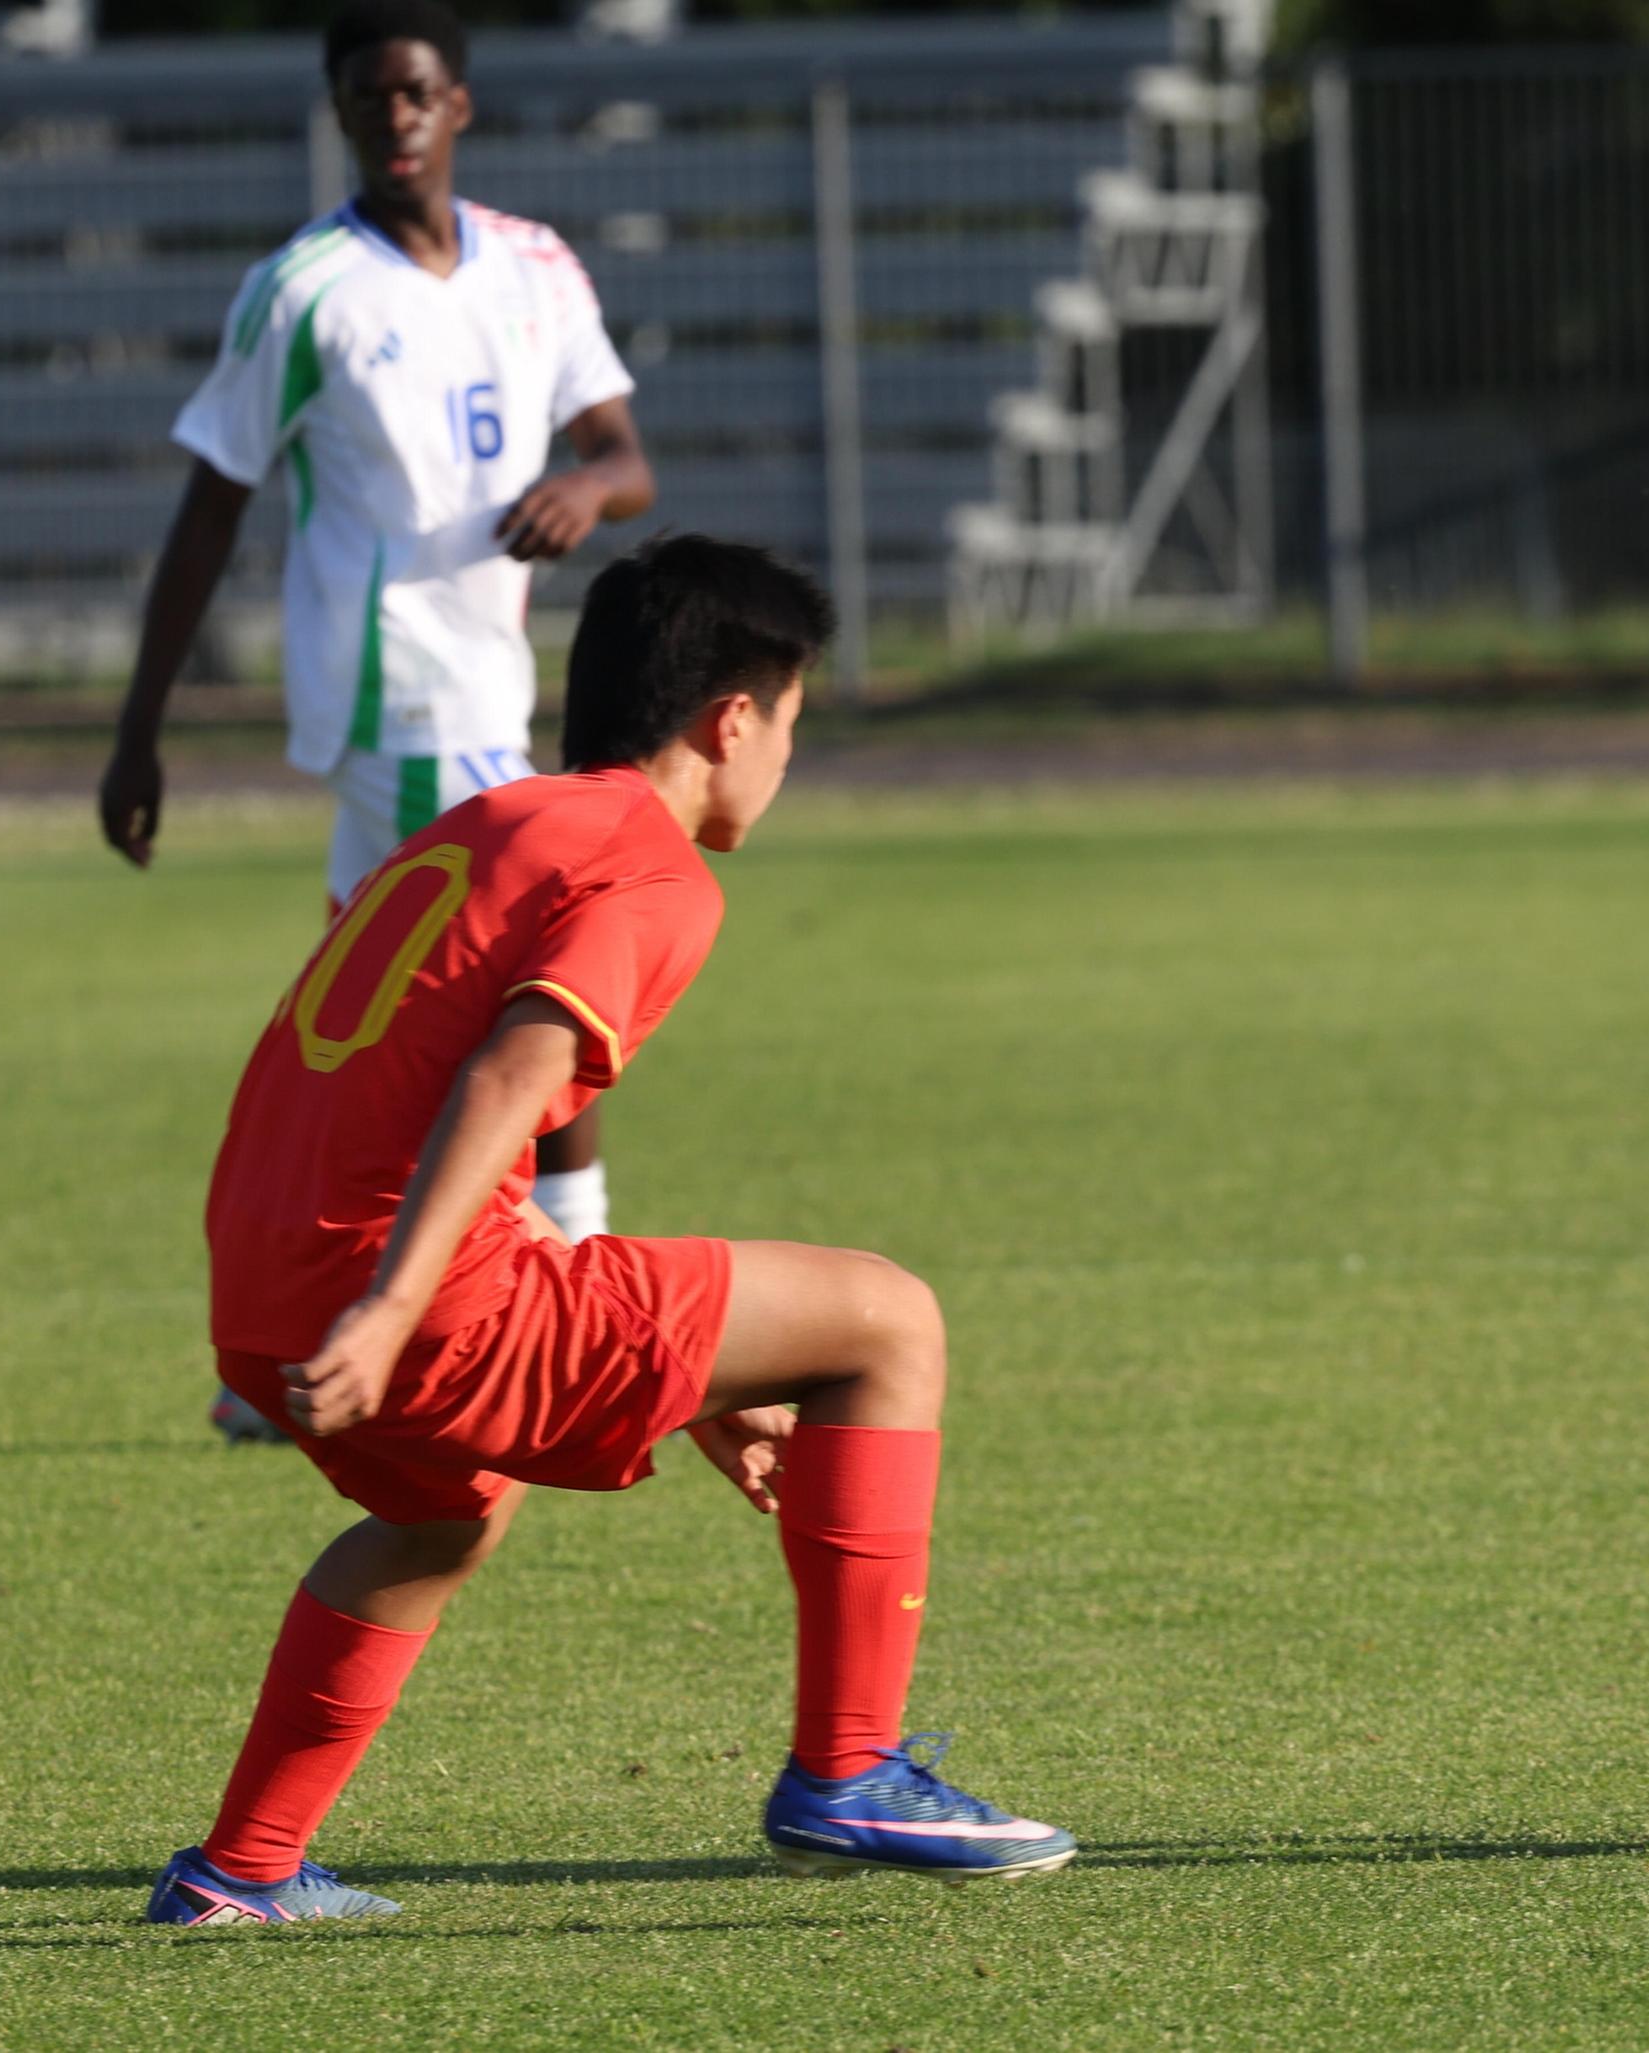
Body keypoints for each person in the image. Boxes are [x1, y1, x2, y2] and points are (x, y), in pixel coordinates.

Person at [145, 535, 1072, 1926]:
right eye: (795, 724)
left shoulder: (494, 823)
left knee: (439, 1511)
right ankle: (851, 1769)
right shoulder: (652, 868)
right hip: (392, 1296)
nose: (786, 761)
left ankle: (241, 1871)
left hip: (267, 1289)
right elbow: (512, 1076)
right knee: (888, 1320)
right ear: (733, 718)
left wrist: (693, 1384)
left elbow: (390, 1097)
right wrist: (397, 1310)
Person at [97, 0, 656, 1444]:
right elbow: (212, 502)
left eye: (412, 92)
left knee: (379, 1017)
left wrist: (588, 494)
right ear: (344, 117)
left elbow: (623, 450)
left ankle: (311, 1334)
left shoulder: (535, 267)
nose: (392, 118)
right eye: (364, 101)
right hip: (392, 700)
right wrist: (139, 724)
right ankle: (560, 1285)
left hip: (491, 687)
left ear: (457, 102)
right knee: (520, 981)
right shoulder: (303, 293)